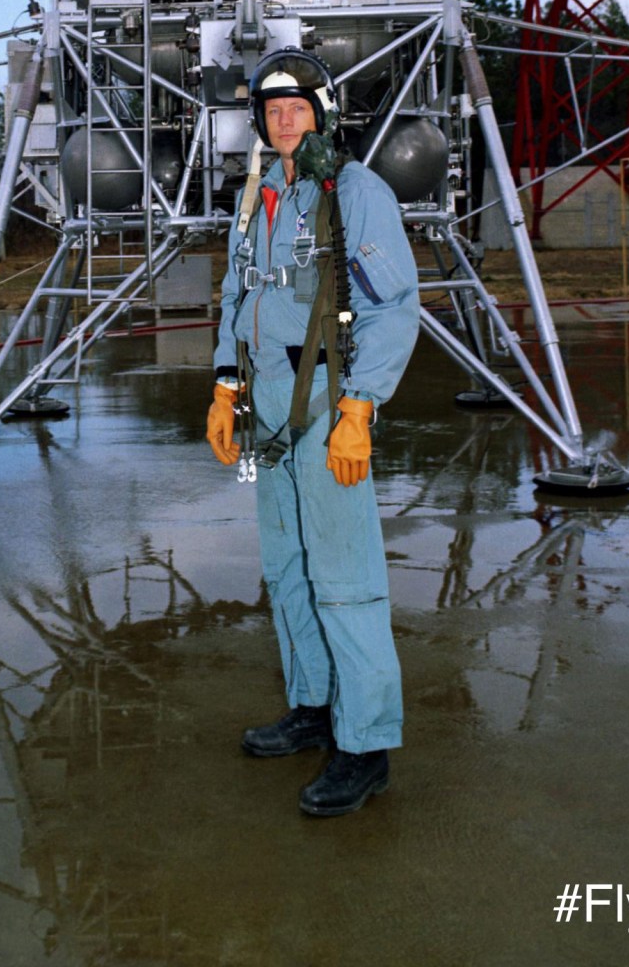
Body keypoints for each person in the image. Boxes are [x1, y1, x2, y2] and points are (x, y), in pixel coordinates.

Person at [207, 47, 420, 817]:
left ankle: (363, 747)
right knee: (288, 565)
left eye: (297, 105)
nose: (284, 118)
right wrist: (224, 388)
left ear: (322, 111)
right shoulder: (259, 195)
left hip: (327, 405)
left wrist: (360, 410)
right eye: (272, 109)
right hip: (264, 409)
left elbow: (393, 307)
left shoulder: (353, 192)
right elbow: (238, 293)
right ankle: (314, 707)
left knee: (345, 576)